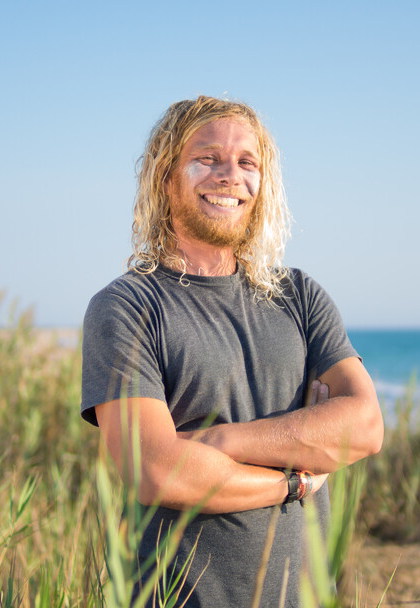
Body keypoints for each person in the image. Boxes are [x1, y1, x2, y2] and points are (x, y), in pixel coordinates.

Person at [81, 96, 383, 607]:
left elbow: (365, 426)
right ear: (165, 177)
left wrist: (218, 442)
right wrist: (293, 483)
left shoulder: (300, 295)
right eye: (207, 159)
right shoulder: (126, 308)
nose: (229, 176)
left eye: (247, 163)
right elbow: (157, 471)